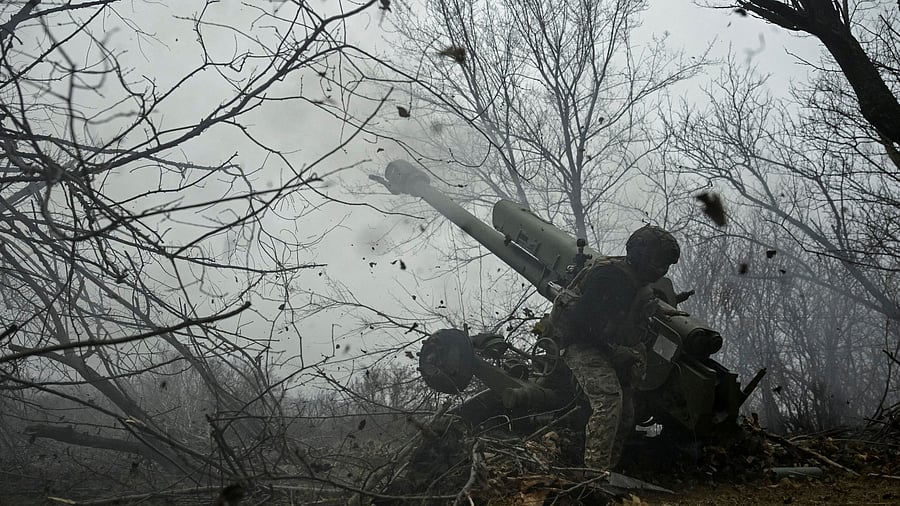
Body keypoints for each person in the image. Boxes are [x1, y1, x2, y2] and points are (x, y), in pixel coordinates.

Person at [547, 225, 681, 471]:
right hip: (580, 344)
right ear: (640, 255)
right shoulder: (610, 276)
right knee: (609, 400)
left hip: (609, 348)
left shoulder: (640, 285)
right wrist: (614, 350)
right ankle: (594, 475)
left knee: (627, 412)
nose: (661, 270)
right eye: (657, 262)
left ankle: (608, 471)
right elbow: (580, 322)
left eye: (666, 265)